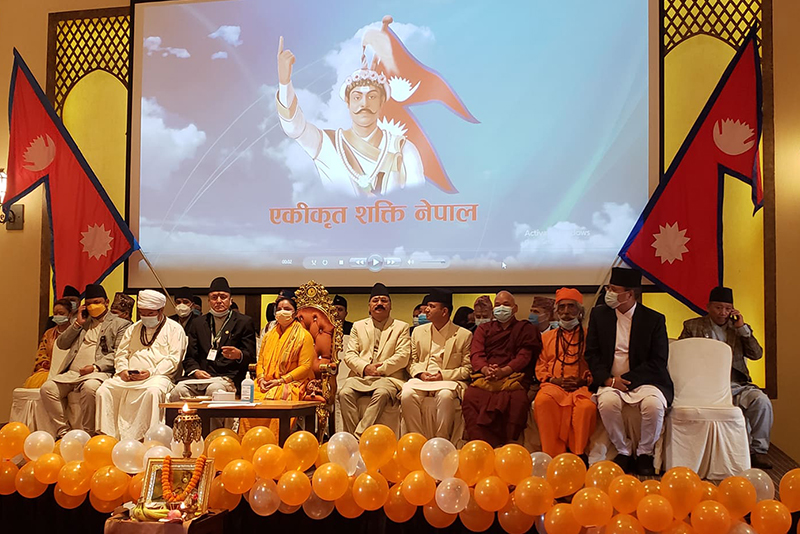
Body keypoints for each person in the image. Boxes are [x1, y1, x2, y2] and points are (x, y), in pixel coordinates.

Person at [275, 37, 424, 197]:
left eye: (372, 97)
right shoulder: (326, 144)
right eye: (357, 97)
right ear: (348, 102)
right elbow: (294, 127)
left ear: (382, 102)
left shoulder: (403, 149)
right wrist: (284, 82)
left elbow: (417, 200)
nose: (364, 103)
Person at [585, 267, 673, 476]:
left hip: (646, 380)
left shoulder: (654, 319)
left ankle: (645, 453)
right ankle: (623, 449)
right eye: (608, 288)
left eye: (614, 289)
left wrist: (626, 380)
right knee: (607, 403)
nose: (608, 293)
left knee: (653, 406)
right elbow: (592, 353)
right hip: (610, 380)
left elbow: (658, 360)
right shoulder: (599, 315)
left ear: (630, 294)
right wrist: (609, 380)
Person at [679, 286, 772, 469]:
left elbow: (757, 354)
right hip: (704, 386)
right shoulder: (692, 326)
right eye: (718, 307)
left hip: (735, 384)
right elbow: (682, 355)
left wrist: (742, 329)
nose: (723, 313)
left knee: (762, 402)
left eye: (728, 308)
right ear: (708, 307)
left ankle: (758, 451)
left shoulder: (738, 329)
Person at [40, 284, 131, 437]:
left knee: (90, 388)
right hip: (72, 374)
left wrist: (95, 367)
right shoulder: (82, 322)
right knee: (47, 389)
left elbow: (118, 353)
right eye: (88, 304)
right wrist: (77, 324)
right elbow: (62, 344)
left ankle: (89, 434)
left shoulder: (121, 324)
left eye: (96, 302)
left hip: (97, 373)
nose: (92, 306)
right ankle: (63, 432)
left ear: (106, 302)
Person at [96, 290, 187, 440]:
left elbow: (173, 359)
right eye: (142, 313)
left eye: (150, 313)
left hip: (157, 377)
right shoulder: (133, 328)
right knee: (104, 390)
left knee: (153, 391)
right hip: (128, 378)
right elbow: (121, 354)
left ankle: (149, 437)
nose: (146, 317)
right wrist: (123, 370)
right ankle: (109, 437)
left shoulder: (174, 329)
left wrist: (150, 372)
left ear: (161, 311)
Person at [462, 291, 541, 447]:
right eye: (497, 305)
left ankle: (509, 444)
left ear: (515, 308)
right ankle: (479, 444)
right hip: (486, 377)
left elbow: (524, 356)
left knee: (518, 400)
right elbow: (476, 353)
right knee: (471, 396)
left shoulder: (524, 329)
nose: (501, 308)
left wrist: (503, 371)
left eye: (506, 304)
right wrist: (486, 369)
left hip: (514, 377)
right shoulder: (484, 329)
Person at [339, 283, 411, 437]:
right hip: (361, 376)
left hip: (388, 377)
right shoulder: (358, 326)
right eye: (375, 300)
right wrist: (366, 368)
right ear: (369, 306)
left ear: (390, 306)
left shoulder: (401, 327)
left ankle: (358, 436)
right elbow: (350, 355)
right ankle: (355, 437)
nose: (379, 304)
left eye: (384, 300)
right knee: (344, 393)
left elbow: (403, 356)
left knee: (382, 393)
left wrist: (379, 370)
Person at [170, 277, 256, 403]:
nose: (219, 301)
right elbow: (190, 357)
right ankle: (183, 417)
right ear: (209, 301)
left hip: (228, 377)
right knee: (178, 391)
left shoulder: (243, 322)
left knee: (215, 390)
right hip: (201, 378)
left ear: (230, 300)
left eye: (223, 297)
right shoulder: (198, 323)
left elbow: (251, 356)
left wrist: (239, 355)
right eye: (214, 297)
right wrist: (196, 371)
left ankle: (213, 418)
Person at [534, 288, 595, 461]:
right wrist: (554, 380)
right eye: (562, 307)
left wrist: (583, 380)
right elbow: (540, 365)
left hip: (581, 387)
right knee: (543, 401)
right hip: (553, 386)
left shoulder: (589, 336)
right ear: (556, 312)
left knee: (586, 408)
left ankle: (579, 453)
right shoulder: (547, 337)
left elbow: (596, 364)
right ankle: (551, 454)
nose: (566, 311)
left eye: (571, 306)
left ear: (580, 311)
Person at [240, 292, 315, 435]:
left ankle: (276, 439)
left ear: (295, 313)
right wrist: (261, 379)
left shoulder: (304, 336)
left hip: (291, 382)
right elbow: (261, 361)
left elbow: (305, 367)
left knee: (275, 395)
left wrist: (281, 381)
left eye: (287, 309)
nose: (282, 312)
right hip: (267, 381)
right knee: (251, 396)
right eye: (279, 309)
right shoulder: (268, 336)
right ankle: (249, 439)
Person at [402, 290, 472, 439]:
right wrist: (420, 373)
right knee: (407, 394)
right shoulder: (418, 332)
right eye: (427, 305)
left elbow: (467, 369)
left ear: (444, 311)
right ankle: (417, 438)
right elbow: (412, 361)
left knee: (445, 396)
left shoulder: (463, 335)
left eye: (432, 306)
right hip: (423, 379)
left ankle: (441, 439)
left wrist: (442, 375)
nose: (426, 309)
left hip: (447, 380)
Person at [23, 299, 73, 389]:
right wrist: (45, 363)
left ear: (70, 314)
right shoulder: (49, 334)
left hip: (69, 371)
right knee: (34, 381)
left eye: (61, 313)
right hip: (49, 370)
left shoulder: (76, 332)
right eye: (55, 313)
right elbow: (41, 353)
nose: (58, 316)